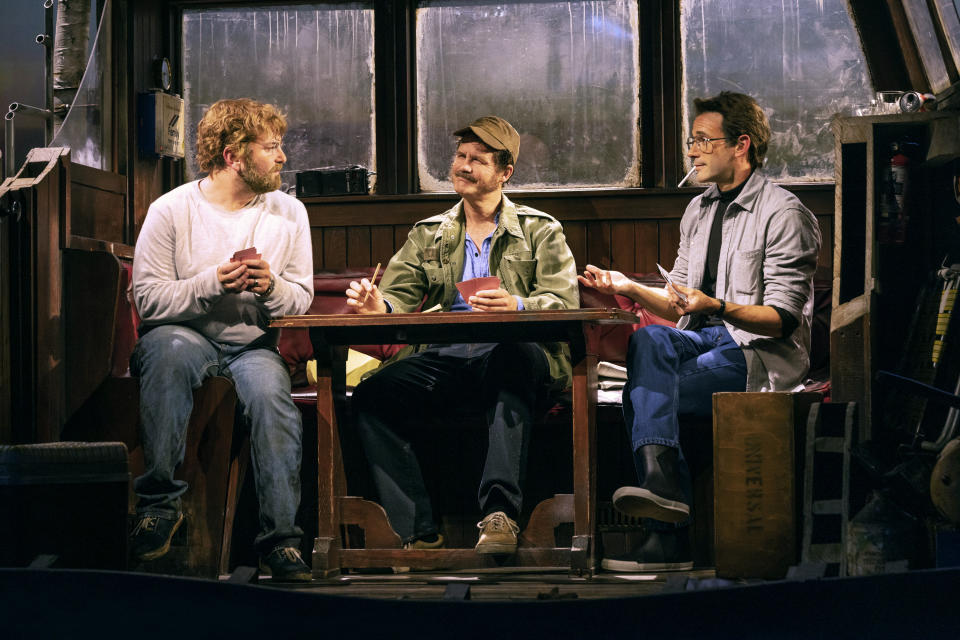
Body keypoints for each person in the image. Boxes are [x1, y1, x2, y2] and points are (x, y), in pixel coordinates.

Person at [580, 92, 821, 572]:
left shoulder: (783, 213)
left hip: (753, 352)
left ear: (741, 145)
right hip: (699, 339)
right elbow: (676, 304)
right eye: (693, 141)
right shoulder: (698, 211)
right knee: (648, 339)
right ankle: (663, 488)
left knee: (641, 394)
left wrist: (718, 306)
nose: (692, 151)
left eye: (703, 140)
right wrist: (626, 286)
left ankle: (667, 530)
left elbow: (783, 319)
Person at [345, 116, 578, 556]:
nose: (464, 166)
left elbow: (565, 301)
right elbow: (396, 294)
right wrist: (379, 305)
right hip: (448, 356)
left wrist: (519, 306)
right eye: (461, 156)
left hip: (519, 353)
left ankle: (499, 516)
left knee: (511, 362)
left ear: (505, 173)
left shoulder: (540, 229)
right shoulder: (429, 232)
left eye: (478, 160)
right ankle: (417, 530)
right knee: (372, 394)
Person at [129, 98, 314, 582]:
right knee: (167, 353)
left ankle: (281, 541)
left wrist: (270, 286)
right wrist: (215, 282)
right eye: (271, 148)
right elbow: (148, 302)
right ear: (233, 155)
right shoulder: (170, 209)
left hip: (252, 344)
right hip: (183, 335)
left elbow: (302, 300)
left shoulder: (289, 212)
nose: (282, 157)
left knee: (274, 400)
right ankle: (159, 507)